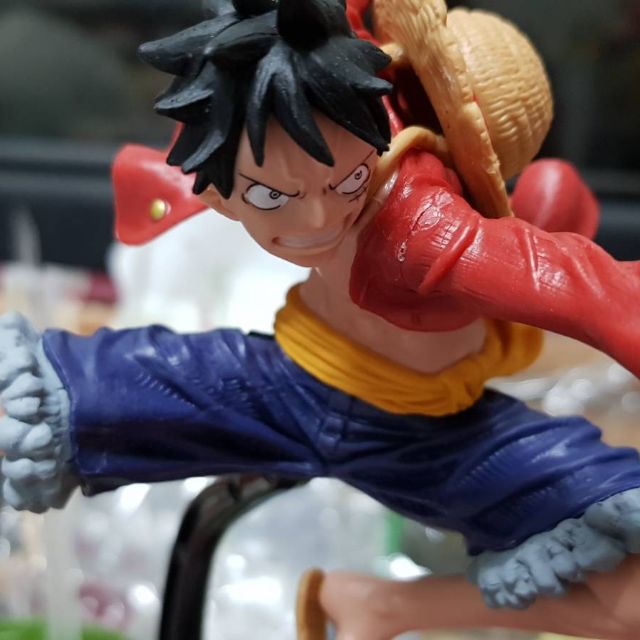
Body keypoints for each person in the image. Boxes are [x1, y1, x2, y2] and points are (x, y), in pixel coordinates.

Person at [2, 0, 640, 637]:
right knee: (48, 400)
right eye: (272, 196)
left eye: (348, 184)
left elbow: (582, 289)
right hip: (291, 386)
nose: (318, 221)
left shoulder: (419, 221)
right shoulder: (282, 119)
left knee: (627, 584)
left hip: (433, 432)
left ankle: (380, 606)